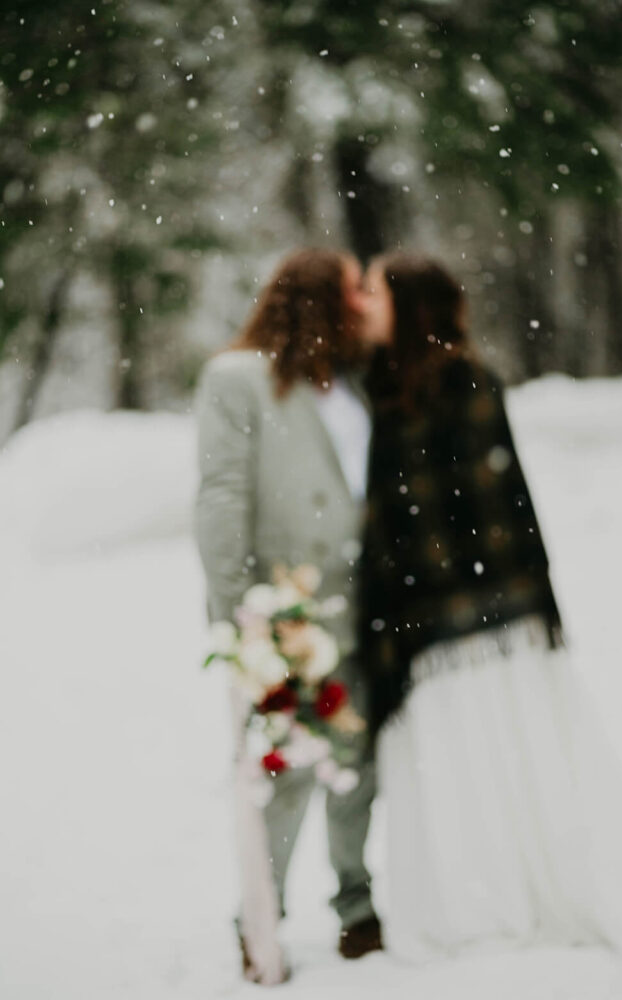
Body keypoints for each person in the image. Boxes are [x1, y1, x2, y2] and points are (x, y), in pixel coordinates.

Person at [357, 251, 622, 984]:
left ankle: (510, 891)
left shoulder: (461, 381)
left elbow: (497, 506)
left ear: (407, 306)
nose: (362, 302)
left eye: (373, 289)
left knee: (507, 757)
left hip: (480, 611)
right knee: (458, 764)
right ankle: (482, 890)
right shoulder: (375, 389)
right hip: (432, 615)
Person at [195, 248, 382, 984]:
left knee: (358, 759)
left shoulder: (359, 381)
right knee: (283, 770)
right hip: (285, 608)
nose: (364, 302)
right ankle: (259, 917)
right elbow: (219, 497)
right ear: (316, 301)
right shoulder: (237, 378)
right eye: (351, 289)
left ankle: (356, 903)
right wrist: (238, 614)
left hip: (365, 597)